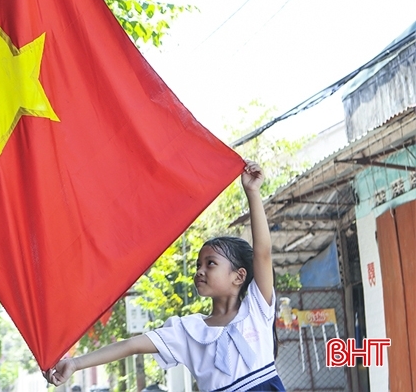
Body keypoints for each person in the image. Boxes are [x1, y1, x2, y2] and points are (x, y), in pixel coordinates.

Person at [44, 160, 285, 392]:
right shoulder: (187, 331)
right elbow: (131, 346)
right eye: (198, 264)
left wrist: (253, 192)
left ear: (239, 276)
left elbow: (262, 252)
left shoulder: (257, 309)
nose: (200, 270)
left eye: (210, 264)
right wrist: (75, 363)